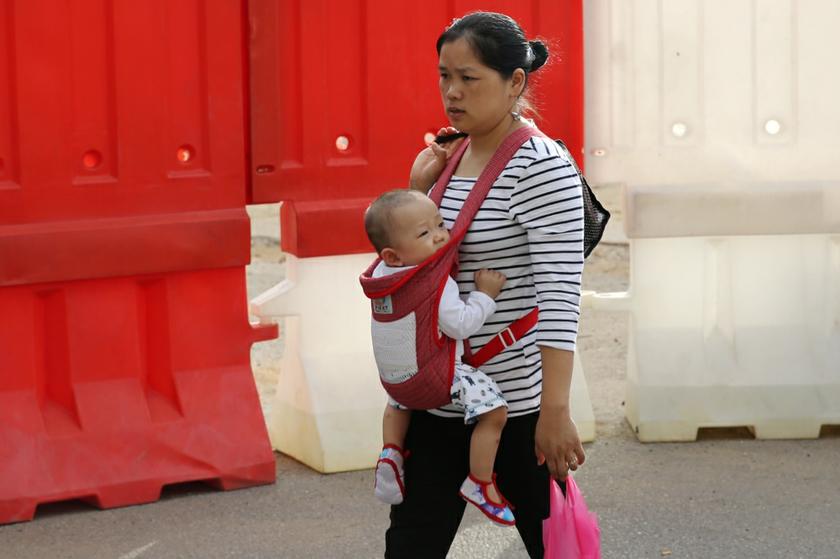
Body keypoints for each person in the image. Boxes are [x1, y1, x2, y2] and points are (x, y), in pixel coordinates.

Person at [385, 12, 586, 558]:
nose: (452, 92)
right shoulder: (449, 156)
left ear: (514, 82)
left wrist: (556, 411)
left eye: (468, 79)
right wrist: (417, 190)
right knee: (410, 546)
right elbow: (415, 267)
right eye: (444, 76)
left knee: (555, 547)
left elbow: (560, 297)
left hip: (515, 410)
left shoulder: (541, 167)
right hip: (443, 398)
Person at [364, 189, 516, 526]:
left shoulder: (379, 276)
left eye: (440, 224)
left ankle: (390, 450)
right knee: (494, 412)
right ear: (392, 254)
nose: (439, 235)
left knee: (397, 402)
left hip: (397, 380)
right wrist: (484, 296)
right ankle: (480, 482)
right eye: (424, 233)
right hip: (436, 377)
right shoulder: (434, 282)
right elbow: (461, 325)